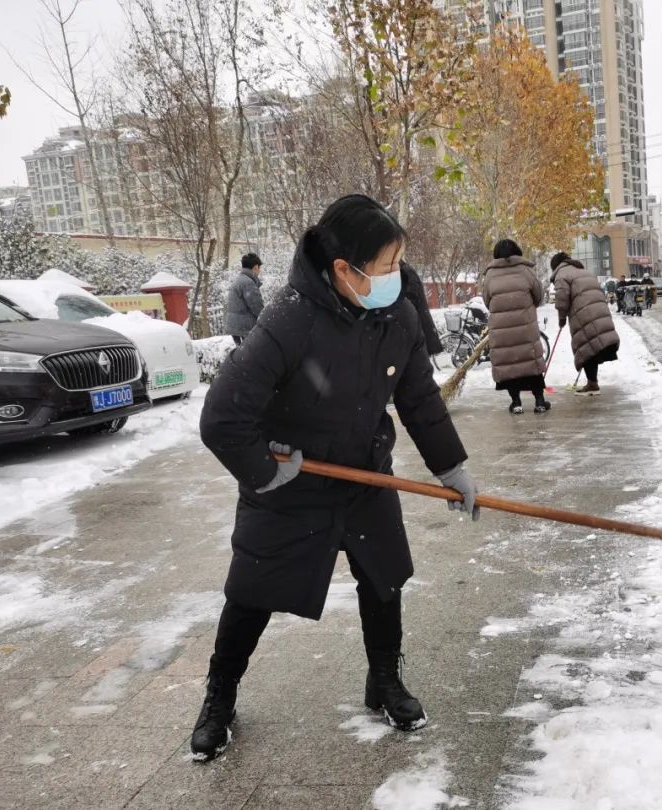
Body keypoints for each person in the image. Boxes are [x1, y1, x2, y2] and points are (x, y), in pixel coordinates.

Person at [191, 195, 480, 761]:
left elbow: (419, 396)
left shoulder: (397, 314)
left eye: (400, 262)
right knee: (250, 594)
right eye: (387, 265)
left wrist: (452, 466)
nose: (398, 276)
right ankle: (219, 698)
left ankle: (384, 680)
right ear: (343, 269)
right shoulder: (290, 319)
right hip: (290, 484)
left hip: (365, 476)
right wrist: (265, 472)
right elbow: (222, 416)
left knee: (383, 579)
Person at [481, 239, 550, 415]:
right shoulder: (526, 271)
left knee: (509, 365)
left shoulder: (490, 275)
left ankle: (516, 402)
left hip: (502, 328)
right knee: (531, 363)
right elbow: (539, 296)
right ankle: (540, 401)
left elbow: (487, 301)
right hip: (525, 326)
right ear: (517, 251)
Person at [551, 252, 620, 396]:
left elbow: (562, 298)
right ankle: (592, 382)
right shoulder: (584, 271)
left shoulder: (561, 275)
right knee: (591, 347)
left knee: (587, 348)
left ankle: (592, 385)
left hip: (584, 314)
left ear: (555, 266)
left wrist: (561, 318)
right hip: (598, 310)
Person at [400, 260, 443, 356]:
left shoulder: (405, 272)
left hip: (417, 333)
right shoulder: (404, 271)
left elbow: (410, 301)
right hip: (416, 333)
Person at [226, 252, 265, 345]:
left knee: (242, 355)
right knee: (251, 355)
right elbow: (257, 307)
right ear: (255, 267)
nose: (259, 272)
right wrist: (265, 319)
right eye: (259, 269)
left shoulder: (238, 280)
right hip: (245, 328)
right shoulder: (248, 283)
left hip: (235, 328)